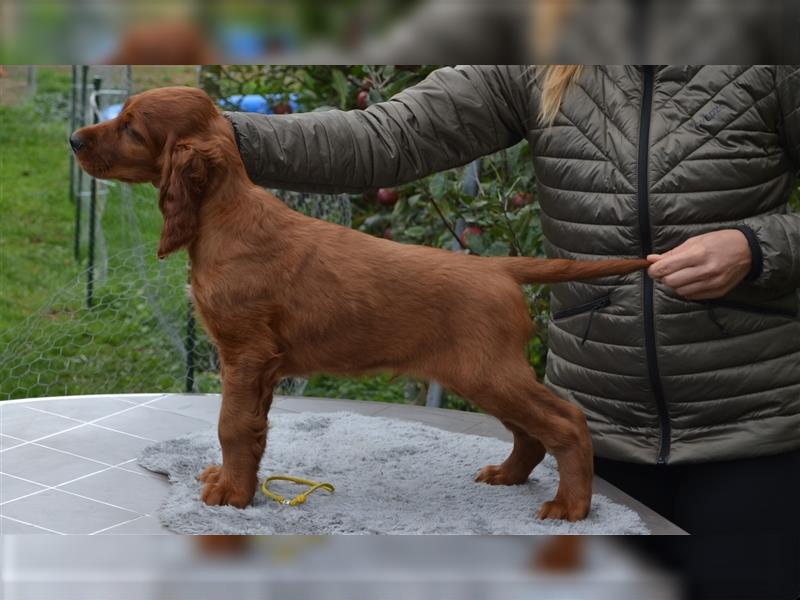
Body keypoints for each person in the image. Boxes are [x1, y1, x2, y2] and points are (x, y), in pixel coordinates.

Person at [223, 66, 800, 599]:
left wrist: (757, 246)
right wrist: (209, 130)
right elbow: (385, 138)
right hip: (598, 430)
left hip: (753, 429)